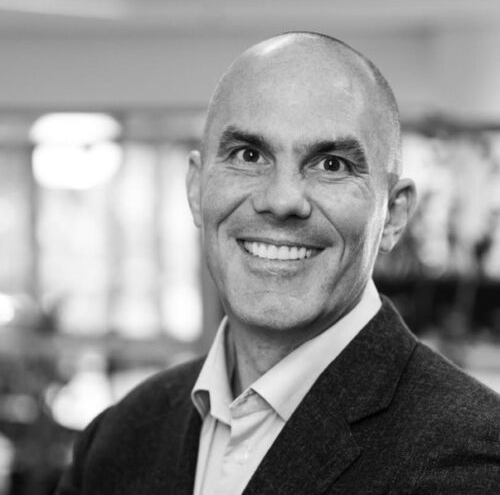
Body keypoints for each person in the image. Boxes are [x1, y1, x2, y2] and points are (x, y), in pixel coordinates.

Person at [56, 32, 500, 495]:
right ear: (196, 188)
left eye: (331, 164)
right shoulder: (120, 439)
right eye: (249, 155)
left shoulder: (472, 463)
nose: (282, 200)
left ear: (392, 215)